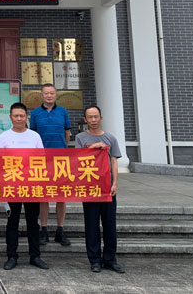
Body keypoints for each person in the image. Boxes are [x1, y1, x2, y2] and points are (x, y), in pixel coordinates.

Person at [0, 103, 50, 271]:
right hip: (12, 186)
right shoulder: (4, 136)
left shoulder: (34, 136)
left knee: (33, 222)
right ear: (10, 117)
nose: (19, 118)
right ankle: (12, 256)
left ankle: (35, 256)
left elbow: (42, 159)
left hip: (31, 185)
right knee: (12, 222)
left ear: (27, 117)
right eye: (15, 116)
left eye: (21, 115)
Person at [76, 106, 125, 273]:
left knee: (110, 225)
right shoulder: (81, 138)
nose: (93, 120)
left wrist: (115, 183)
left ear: (101, 118)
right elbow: (77, 158)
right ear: (85, 120)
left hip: (107, 188)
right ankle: (95, 260)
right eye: (90, 117)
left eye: (96, 116)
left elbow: (114, 162)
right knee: (91, 225)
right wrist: (93, 147)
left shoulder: (110, 138)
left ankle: (110, 259)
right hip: (89, 188)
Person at [29, 83, 72, 247]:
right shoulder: (35, 113)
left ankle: (60, 230)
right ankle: (44, 230)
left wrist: (63, 150)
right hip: (42, 160)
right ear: (41, 95)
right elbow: (33, 135)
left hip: (60, 160)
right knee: (43, 196)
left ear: (56, 95)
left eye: (52, 93)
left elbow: (67, 133)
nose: (49, 96)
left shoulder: (63, 112)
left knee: (61, 196)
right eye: (46, 93)